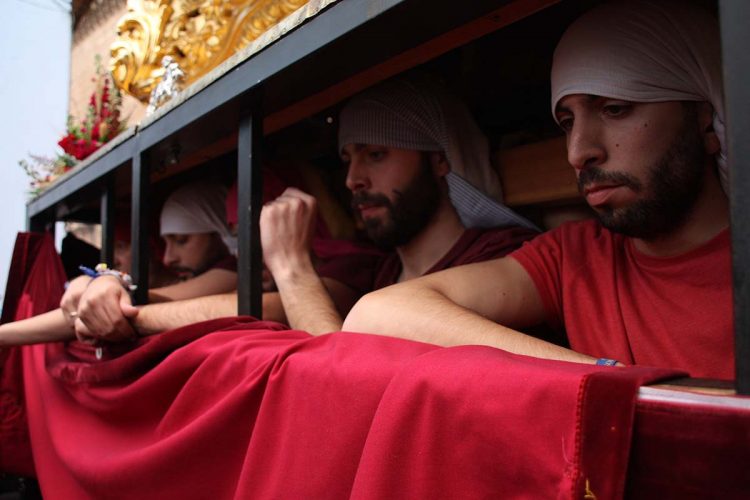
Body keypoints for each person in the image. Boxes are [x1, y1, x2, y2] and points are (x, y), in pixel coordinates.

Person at [343, 1, 733, 380]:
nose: (579, 152)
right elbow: (376, 315)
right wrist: (608, 380)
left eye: (614, 109)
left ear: (705, 119)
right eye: (566, 123)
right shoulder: (574, 257)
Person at [70, 74, 538, 341]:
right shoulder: (378, 275)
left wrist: (293, 267)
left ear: (440, 159)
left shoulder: (501, 258)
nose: (354, 179)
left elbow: (350, 378)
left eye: (377, 155)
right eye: (347, 159)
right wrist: (112, 287)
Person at [0, 181, 237, 346]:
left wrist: (105, 284)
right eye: (166, 244)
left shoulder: (233, 270)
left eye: (182, 240)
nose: (168, 258)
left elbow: (138, 301)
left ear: (220, 233)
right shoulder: (201, 273)